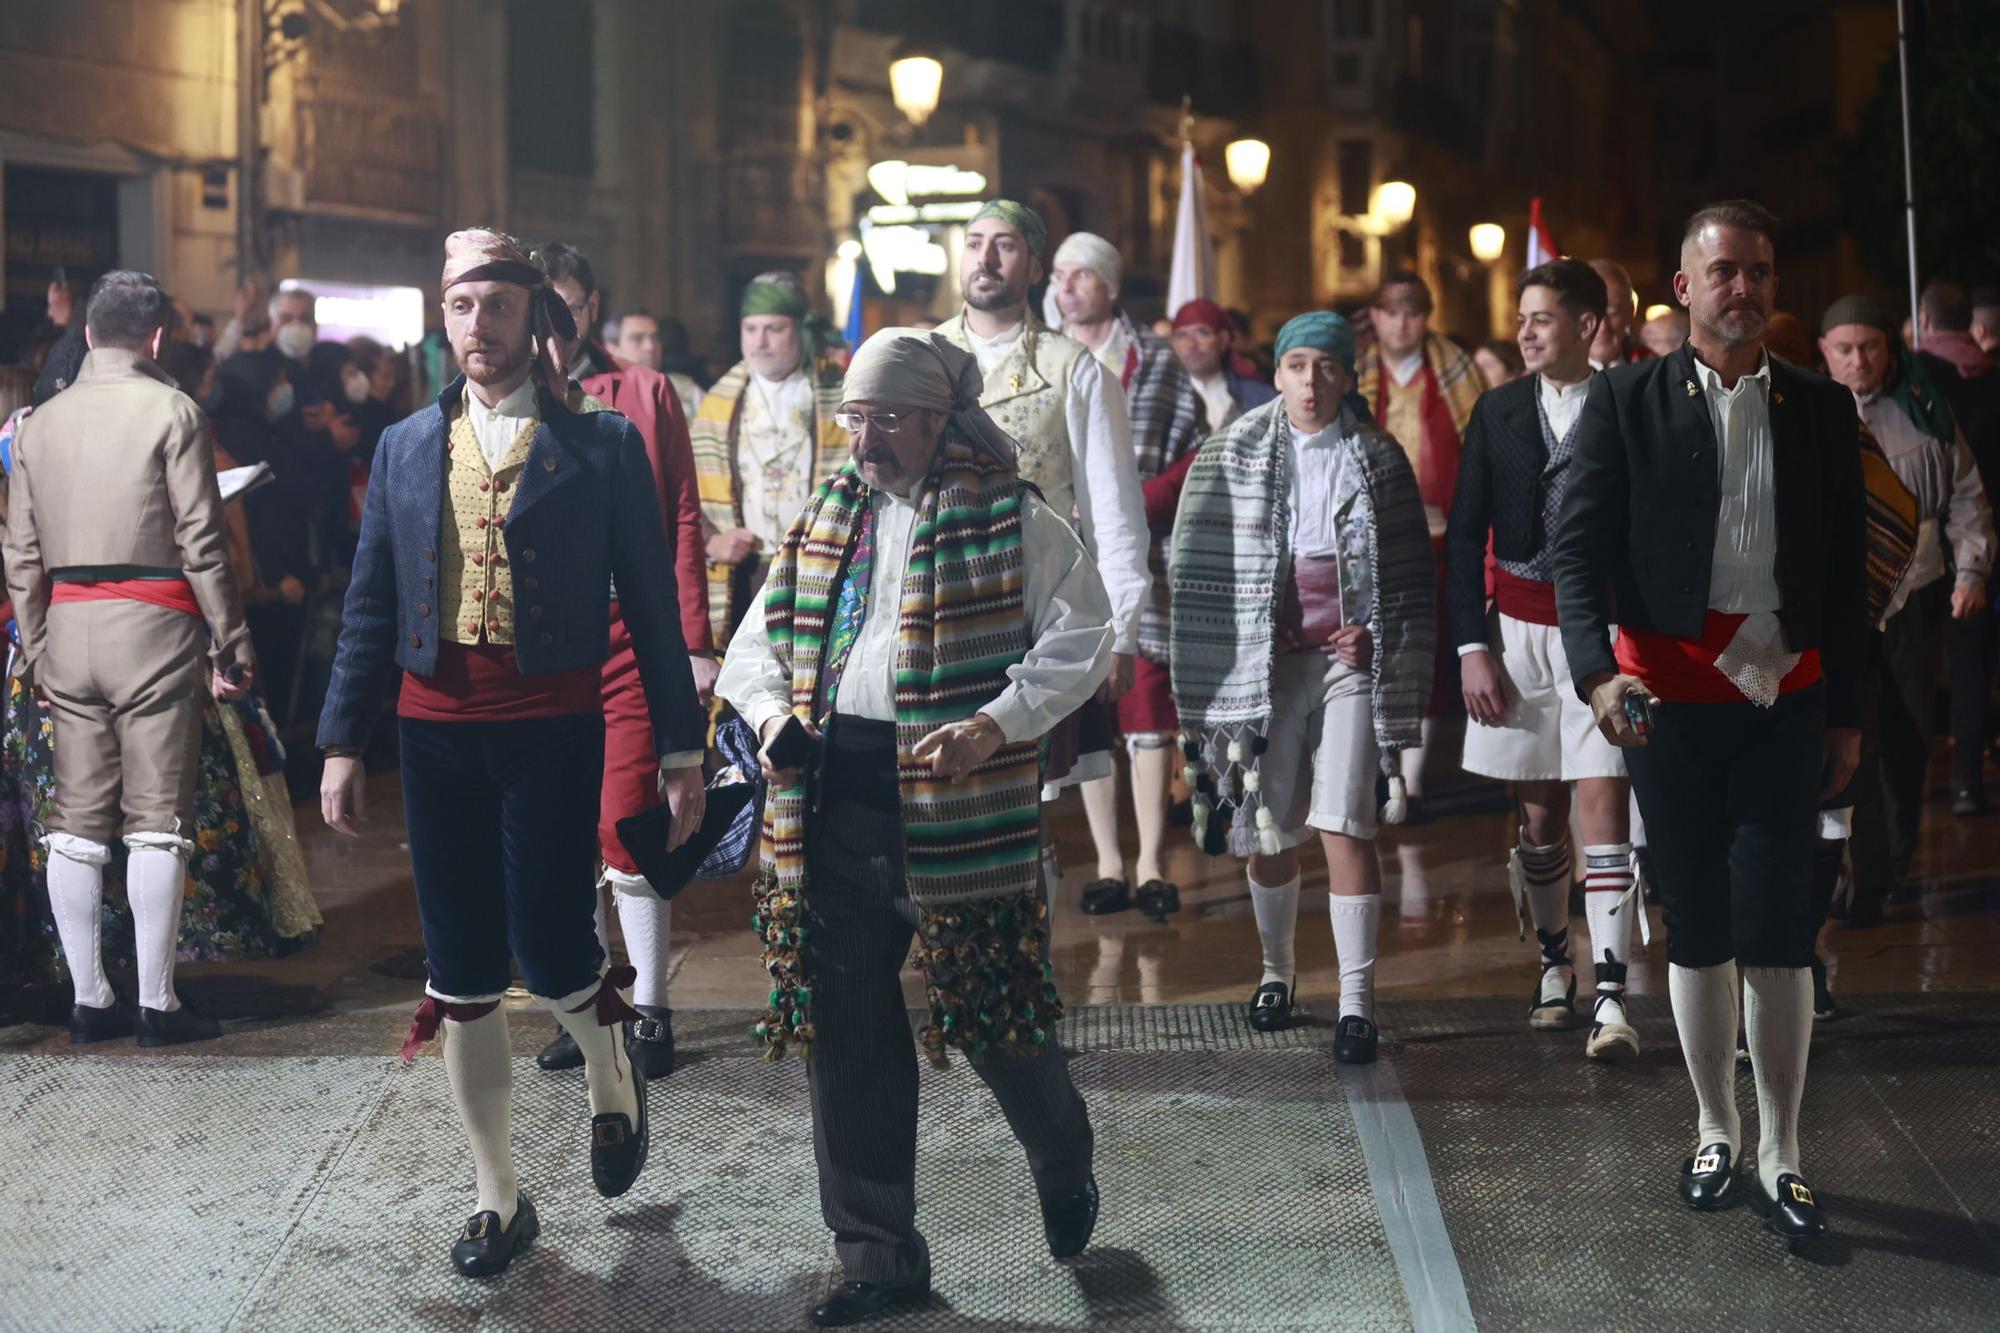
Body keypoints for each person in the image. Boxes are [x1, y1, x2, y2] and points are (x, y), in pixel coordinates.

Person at [315, 230, 708, 1277]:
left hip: (552, 723)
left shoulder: (600, 446)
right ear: (439, 321)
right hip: (432, 731)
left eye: (495, 307)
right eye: (459, 308)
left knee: (552, 946)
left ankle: (607, 1065)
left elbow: (653, 609)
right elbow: (370, 603)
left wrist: (681, 743)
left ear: (535, 320)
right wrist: (341, 741)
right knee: (461, 970)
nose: (476, 328)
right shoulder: (404, 445)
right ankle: (498, 1194)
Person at [717, 328, 1110, 1328]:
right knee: (846, 1036)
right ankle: (878, 1254)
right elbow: (754, 643)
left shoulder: (1011, 517)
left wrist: (994, 724)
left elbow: (1083, 634)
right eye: (854, 416)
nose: (866, 436)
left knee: (994, 1019)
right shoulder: (823, 518)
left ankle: (1060, 1151)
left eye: (887, 416)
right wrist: (771, 722)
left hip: (954, 805)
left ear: (940, 419)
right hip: (834, 800)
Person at [1552, 200, 1867, 1240]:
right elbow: (1575, 550)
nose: (1744, 287)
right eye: (1723, 270)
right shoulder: (1622, 399)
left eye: (1759, 271)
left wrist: (1849, 715)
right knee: (1692, 918)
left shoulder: (1821, 409)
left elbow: (1843, 574)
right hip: (1668, 706)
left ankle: (1780, 1146)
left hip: (1787, 699)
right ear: (1682, 288)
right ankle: (1712, 1127)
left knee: (1779, 924)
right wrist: (1594, 673)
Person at [1168, 311, 1435, 1060]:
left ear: (1348, 376)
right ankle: (1277, 970)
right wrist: (1256, 623)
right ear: (1276, 372)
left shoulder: (1379, 458)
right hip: (1268, 662)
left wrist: (1372, 632)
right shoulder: (1231, 451)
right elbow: (1203, 560)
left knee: (1347, 817)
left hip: (1352, 666)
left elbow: (1410, 578)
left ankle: (1356, 999)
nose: (1310, 382)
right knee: (1268, 819)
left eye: (1325, 367)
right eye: (1296, 367)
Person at [2, 271, 256, 1046]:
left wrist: (38, 642)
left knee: (75, 821)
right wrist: (232, 638)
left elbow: (19, 551)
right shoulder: (174, 411)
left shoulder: (38, 424)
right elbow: (202, 542)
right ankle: (158, 1003)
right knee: (155, 820)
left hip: (66, 626)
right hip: (155, 625)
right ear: (154, 339)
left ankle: (90, 1000)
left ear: (85, 334)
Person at [531, 240, 719, 1079]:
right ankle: (584, 1005)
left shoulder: (641, 393)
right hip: (536, 644)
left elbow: (682, 514)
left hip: (626, 635)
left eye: (564, 307)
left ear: (591, 306)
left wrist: (691, 638)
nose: (552, 324)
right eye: (536, 306)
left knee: (625, 818)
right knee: (558, 828)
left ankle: (649, 1009)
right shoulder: (501, 397)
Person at [1447, 259, 1643, 1057]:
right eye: (1521, 318)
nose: (1525, 332)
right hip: (1518, 632)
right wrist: (1471, 647)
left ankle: (1612, 992)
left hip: (1602, 632)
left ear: (1589, 325)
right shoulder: (1496, 411)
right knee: (1538, 814)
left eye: (1543, 318)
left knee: (1605, 799)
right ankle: (1553, 962)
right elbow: (1464, 537)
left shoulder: (1627, 404)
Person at [932, 202, 1151, 898]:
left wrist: (1121, 625)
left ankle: (1026, 975)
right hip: (934, 607)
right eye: (973, 244)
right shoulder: (922, 356)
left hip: (1037, 609)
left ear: (1032, 266)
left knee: (1026, 801)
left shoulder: (1073, 368)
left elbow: (1114, 507)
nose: (986, 258)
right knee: (940, 796)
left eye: (1004, 246)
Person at [1049, 233, 1207, 919]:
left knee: (1146, 704)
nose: (1067, 286)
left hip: (1145, 553)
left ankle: (1150, 860)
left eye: (1082, 275)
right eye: (1059, 275)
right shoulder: (1041, 354)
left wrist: (1134, 502)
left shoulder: (1156, 358)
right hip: (1061, 554)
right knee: (1086, 706)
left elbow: (1195, 454)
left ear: (1109, 286)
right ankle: (1107, 861)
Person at [1818, 294, 1992, 904]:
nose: (1859, 360)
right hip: (1838, 602)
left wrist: (1971, 572)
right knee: (1843, 729)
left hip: (1914, 591)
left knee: (1908, 731)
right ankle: (1850, 869)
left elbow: (1968, 497)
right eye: (1845, 350)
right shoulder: (1810, 414)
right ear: (1826, 354)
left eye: (1869, 347)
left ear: (1888, 350)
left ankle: (1890, 859)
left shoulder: (1924, 414)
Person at [1356, 271, 1487, 814]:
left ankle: (1410, 780)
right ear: (1377, 317)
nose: (1402, 323)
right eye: (1391, 312)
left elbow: (1481, 443)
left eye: (1412, 312)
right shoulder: (1355, 372)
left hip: (1444, 533)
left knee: (1430, 654)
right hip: (1373, 538)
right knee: (1370, 652)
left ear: (1425, 317)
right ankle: (1369, 771)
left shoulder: (1456, 371)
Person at [689, 275, 849, 647]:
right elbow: (684, 497)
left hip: (820, 572)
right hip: (746, 576)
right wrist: (711, 541)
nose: (759, 342)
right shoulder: (717, 404)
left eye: (774, 329)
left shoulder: (840, 394)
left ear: (801, 329)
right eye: (751, 329)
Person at [1914, 280, 2000, 813]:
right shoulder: (1990, 380)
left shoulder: (1917, 378)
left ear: (1925, 319)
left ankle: (1923, 770)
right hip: (1986, 539)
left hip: (1932, 541)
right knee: (1974, 660)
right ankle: (1968, 773)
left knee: (1924, 662)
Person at [1170, 298, 1276, 431]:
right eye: (1181, 336)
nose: (1191, 345)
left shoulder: (1260, 398)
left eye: (1201, 333)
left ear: (1223, 339)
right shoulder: (1160, 397)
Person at [1587, 259, 1652, 368]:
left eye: (1613, 313)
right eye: (1593, 314)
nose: (1603, 327)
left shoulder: (1653, 370)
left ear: (1631, 312)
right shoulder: (1555, 374)